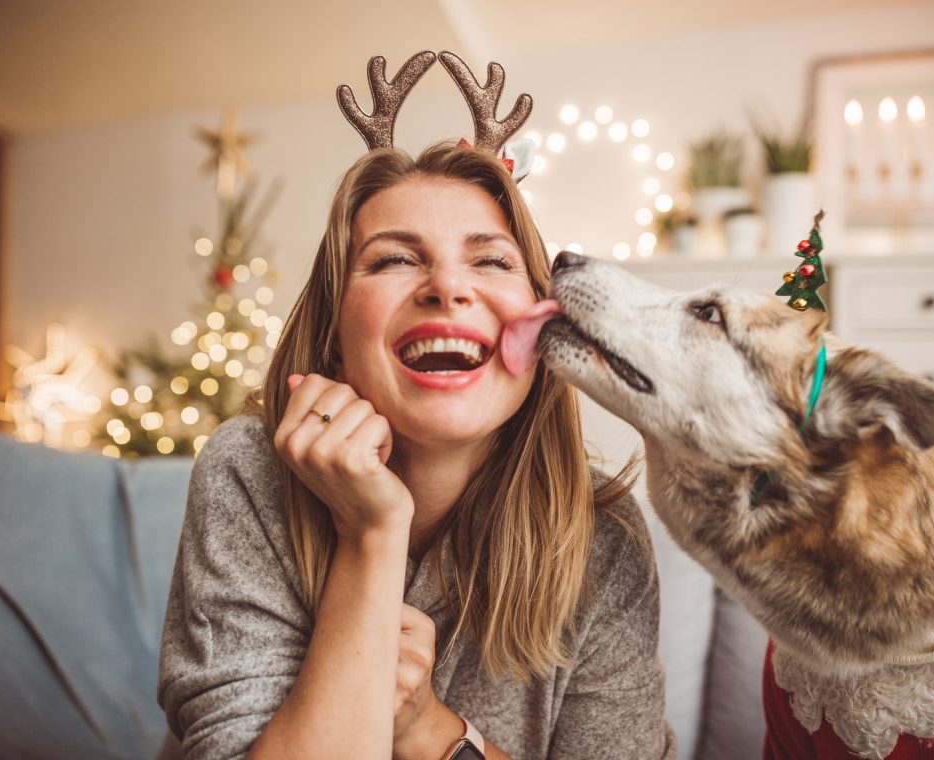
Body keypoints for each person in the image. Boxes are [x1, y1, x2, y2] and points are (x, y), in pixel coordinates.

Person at [157, 99, 674, 760]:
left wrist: (429, 730)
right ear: (337, 337)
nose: (448, 285)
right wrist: (369, 535)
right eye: (395, 259)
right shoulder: (249, 470)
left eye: (490, 261)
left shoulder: (606, 536)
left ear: (537, 334)